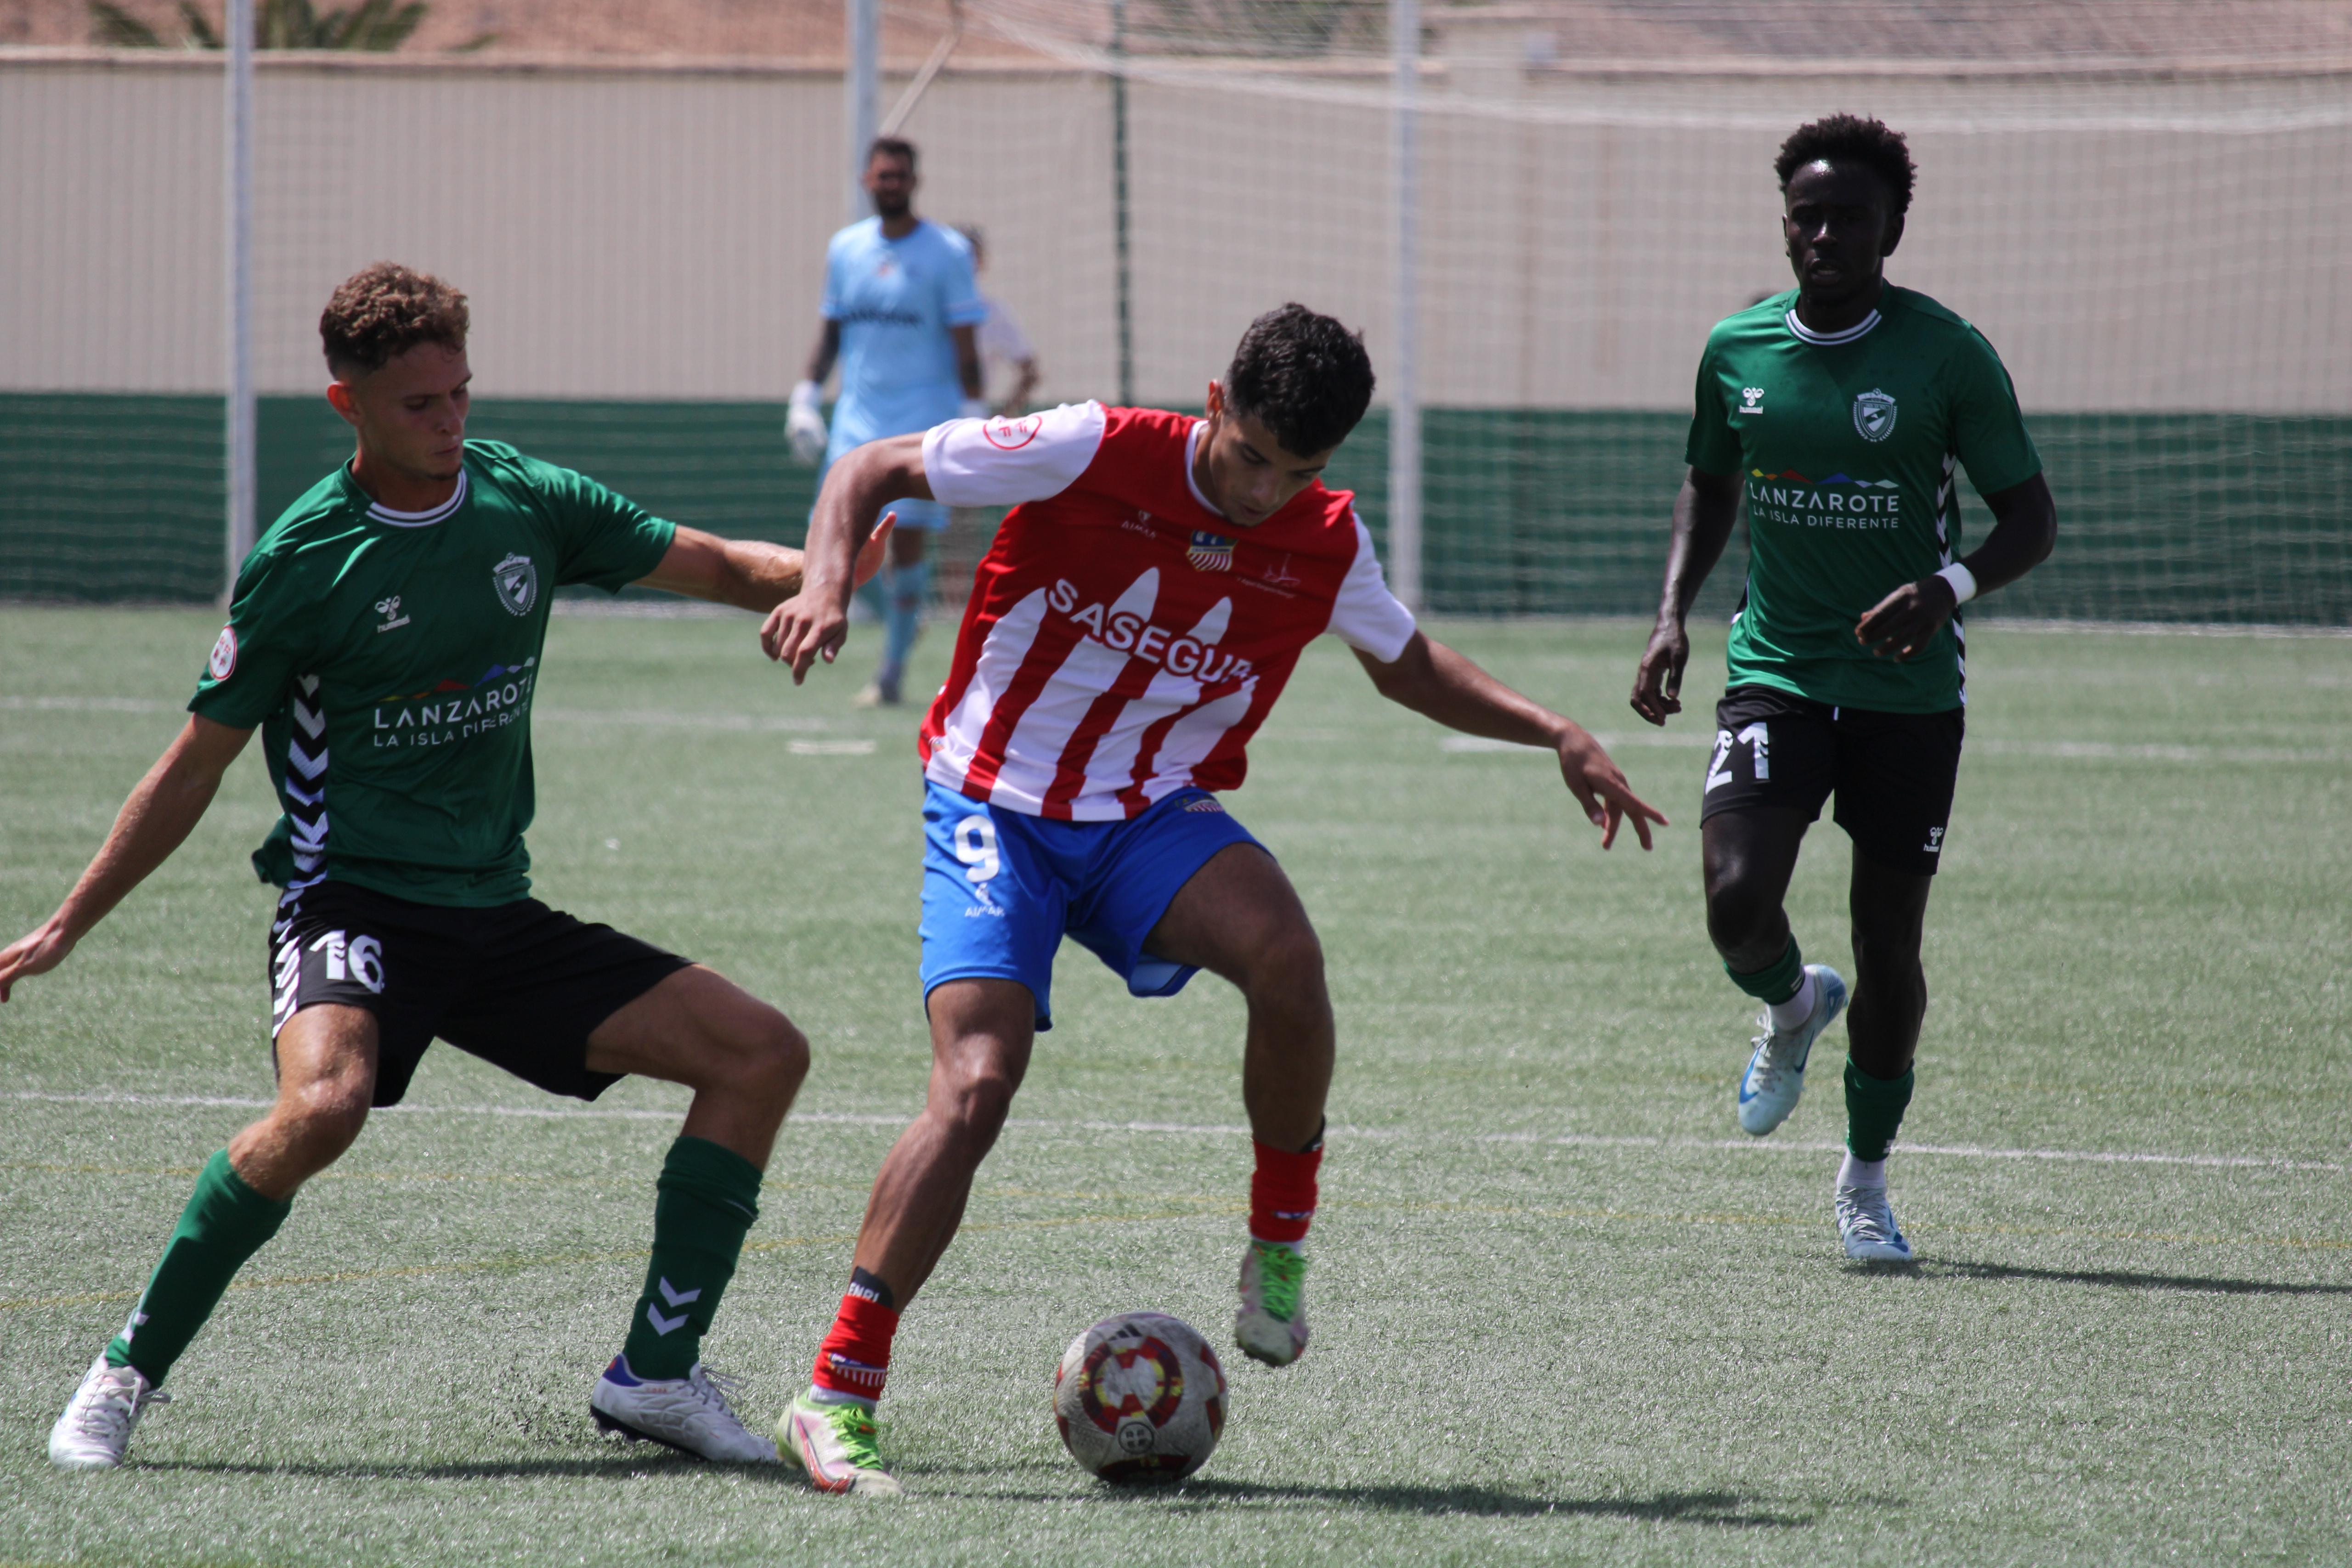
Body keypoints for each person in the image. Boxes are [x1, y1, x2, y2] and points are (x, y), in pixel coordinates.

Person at [760, 303, 1669, 1495]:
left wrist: (1554, 728)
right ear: (1213, 402)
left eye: (1298, 471)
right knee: (977, 1082)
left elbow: (1404, 664)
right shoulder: (1089, 444)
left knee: (1287, 956)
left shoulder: (1325, 537)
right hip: (993, 800)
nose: (1263, 492)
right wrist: (829, 581)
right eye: (1250, 457)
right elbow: (870, 466)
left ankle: (1278, 1244)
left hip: (1144, 810)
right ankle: (834, 1393)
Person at [9, 262, 888, 1470]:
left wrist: (830, 573)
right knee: (325, 1105)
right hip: (351, 897)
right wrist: (69, 921)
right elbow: (193, 763)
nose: (449, 421)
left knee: (760, 1051)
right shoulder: (305, 559)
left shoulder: (525, 498)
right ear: (348, 405)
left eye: (460, 393)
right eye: (419, 403)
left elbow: (727, 566)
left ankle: (658, 1373)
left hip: (494, 913)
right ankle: (125, 1369)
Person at [1628, 116, 2057, 1263]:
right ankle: (1787, 1006)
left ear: (1891, 229)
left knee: (1890, 941)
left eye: (1850, 217)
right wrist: (1673, 613)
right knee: (1731, 896)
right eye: (1808, 215)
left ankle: (1865, 1180)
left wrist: (1947, 585)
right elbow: (1707, 486)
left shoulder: (1944, 354)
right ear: (1785, 226)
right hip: (1775, 668)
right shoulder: (1736, 350)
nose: (1825, 234)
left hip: (1907, 693)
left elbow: (2031, 517)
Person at [788, 137, 988, 708]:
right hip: (857, 420)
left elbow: (965, 340)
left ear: (914, 181)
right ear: (866, 180)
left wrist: (973, 414)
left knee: (908, 547)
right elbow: (831, 330)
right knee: (832, 540)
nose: (890, 184)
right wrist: (805, 395)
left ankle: (892, 671)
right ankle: (904, 615)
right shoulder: (846, 249)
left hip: (924, 421)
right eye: (882, 176)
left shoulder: (946, 252)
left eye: (900, 175)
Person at [956, 225, 1041, 416]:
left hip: (967, 424)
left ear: (982, 261)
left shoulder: (993, 314)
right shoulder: (925, 309)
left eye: (971, 256)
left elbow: (1030, 372)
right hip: (920, 421)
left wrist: (1003, 417)